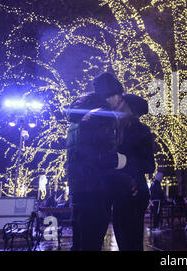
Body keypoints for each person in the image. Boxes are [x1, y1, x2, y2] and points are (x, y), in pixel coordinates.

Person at [65, 72, 126, 251]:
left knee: (80, 240)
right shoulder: (103, 115)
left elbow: (80, 151)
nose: (120, 101)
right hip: (96, 187)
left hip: (79, 186)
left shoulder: (80, 116)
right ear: (111, 94)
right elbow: (99, 154)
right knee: (92, 239)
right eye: (119, 96)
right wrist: (120, 161)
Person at [109, 93, 155, 251]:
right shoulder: (116, 129)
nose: (117, 103)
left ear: (128, 107)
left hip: (134, 192)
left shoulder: (139, 130)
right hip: (121, 191)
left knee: (131, 242)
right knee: (125, 240)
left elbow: (149, 166)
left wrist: (123, 161)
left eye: (121, 101)